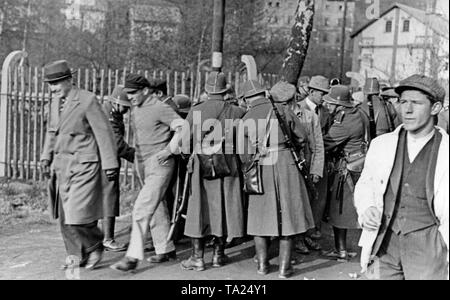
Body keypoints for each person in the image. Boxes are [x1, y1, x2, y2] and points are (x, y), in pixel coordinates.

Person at [355, 74, 449, 280]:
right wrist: (367, 208)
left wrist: (442, 244)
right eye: (403, 101)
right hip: (384, 245)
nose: (406, 110)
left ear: (435, 108)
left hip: (429, 249)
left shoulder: (446, 152)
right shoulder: (381, 145)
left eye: (416, 103)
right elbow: (365, 185)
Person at [41, 60, 119, 270]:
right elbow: (51, 132)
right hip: (61, 166)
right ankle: (76, 255)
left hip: (84, 165)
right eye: (50, 84)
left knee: (77, 214)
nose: (53, 88)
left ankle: (95, 245)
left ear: (69, 80)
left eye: (56, 83)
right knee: (65, 217)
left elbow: (104, 132)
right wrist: (45, 157)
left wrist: (110, 164)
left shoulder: (87, 100)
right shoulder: (55, 103)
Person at [238, 79, 315, 278]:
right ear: (265, 94)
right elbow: (302, 137)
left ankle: (263, 266)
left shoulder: (245, 118)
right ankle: (284, 268)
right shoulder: (281, 110)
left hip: (260, 166)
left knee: (258, 217)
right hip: (286, 164)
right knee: (288, 216)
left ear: (247, 99)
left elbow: (243, 155)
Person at [110, 74, 184, 272]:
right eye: (128, 93)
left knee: (142, 208)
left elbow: (183, 127)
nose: (130, 97)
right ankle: (165, 249)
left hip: (160, 164)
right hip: (142, 163)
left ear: (145, 90)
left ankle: (132, 257)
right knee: (156, 206)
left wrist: (169, 150)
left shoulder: (160, 107)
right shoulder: (137, 108)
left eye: (133, 93)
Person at [180, 71, 246, 272]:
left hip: (202, 163)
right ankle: (219, 255)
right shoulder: (238, 111)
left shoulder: (196, 110)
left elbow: (184, 144)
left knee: (199, 208)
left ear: (207, 91)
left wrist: (188, 156)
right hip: (229, 163)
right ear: (226, 90)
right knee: (225, 207)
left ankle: (197, 258)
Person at [271, 81, 324, 254]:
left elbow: (317, 146)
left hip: (304, 167)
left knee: (304, 204)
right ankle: (287, 241)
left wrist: (316, 169)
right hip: (284, 168)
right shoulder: (273, 116)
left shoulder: (309, 116)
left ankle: (301, 238)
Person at [322, 85, 370, 261]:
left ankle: (341, 250)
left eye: (330, 103)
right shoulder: (360, 113)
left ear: (340, 105)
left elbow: (327, 143)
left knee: (339, 208)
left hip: (346, 168)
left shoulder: (344, 122)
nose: (327, 106)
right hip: (361, 162)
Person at [101, 85, 135, 252]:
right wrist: (137, 157)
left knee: (106, 198)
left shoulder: (112, 112)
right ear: (116, 102)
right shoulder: (110, 116)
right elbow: (118, 145)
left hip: (104, 161)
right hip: (106, 163)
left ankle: (102, 238)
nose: (127, 110)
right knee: (109, 198)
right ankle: (107, 239)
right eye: (125, 106)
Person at [297, 75, 331, 240]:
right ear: (310, 91)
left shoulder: (325, 112)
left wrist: (318, 167)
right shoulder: (297, 108)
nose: (324, 97)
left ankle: (312, 233)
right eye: (321, 94)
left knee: (318, 199)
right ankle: (301, 237)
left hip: (319, 159)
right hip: (303, 161)